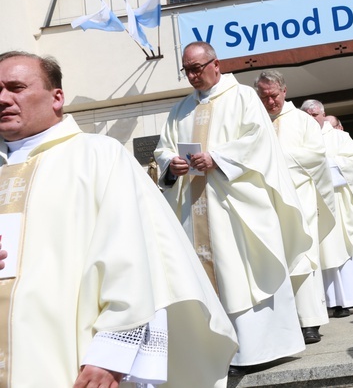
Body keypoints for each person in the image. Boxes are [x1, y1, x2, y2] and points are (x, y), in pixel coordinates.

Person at [0, 51, 238, 387]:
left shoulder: (98, 155)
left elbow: (135, 261)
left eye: (16, 87)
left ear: (57, 98)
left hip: (73, 356)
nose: (2, 98)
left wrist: (110, 356)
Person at [154, 42, 311, 375]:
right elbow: (162, 149)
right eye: (188, 70)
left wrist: (218, 158)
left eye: (198, 67)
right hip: (194, 209)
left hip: (235, 206)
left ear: (216, 64)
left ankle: (259, 348)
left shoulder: (242, 98)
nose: (193, 75)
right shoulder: (179, 109)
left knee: (243, 270)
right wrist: (172, 166)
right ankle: (219, 350)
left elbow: (258, 141)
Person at [254, 70, 337, 345]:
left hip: (299, 201)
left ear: (284, 91)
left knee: (302, 259)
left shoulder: (302, 120)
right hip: (265, 204)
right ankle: (282, 323)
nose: (269, 102)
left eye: (273, 96)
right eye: (263, 96)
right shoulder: (254, 122)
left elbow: (316, 156)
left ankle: (309, 321)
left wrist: (276, 158)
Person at [300, 99, 353, 318]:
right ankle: (323, 302)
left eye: (314, 114)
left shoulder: (340, 137)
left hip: (338, 204)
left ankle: (347, 299)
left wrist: (325, 165)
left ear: (323, 114)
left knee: (341, 247)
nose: (310, 118)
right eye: (306, 114)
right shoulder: (300, 139)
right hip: (311, 202)